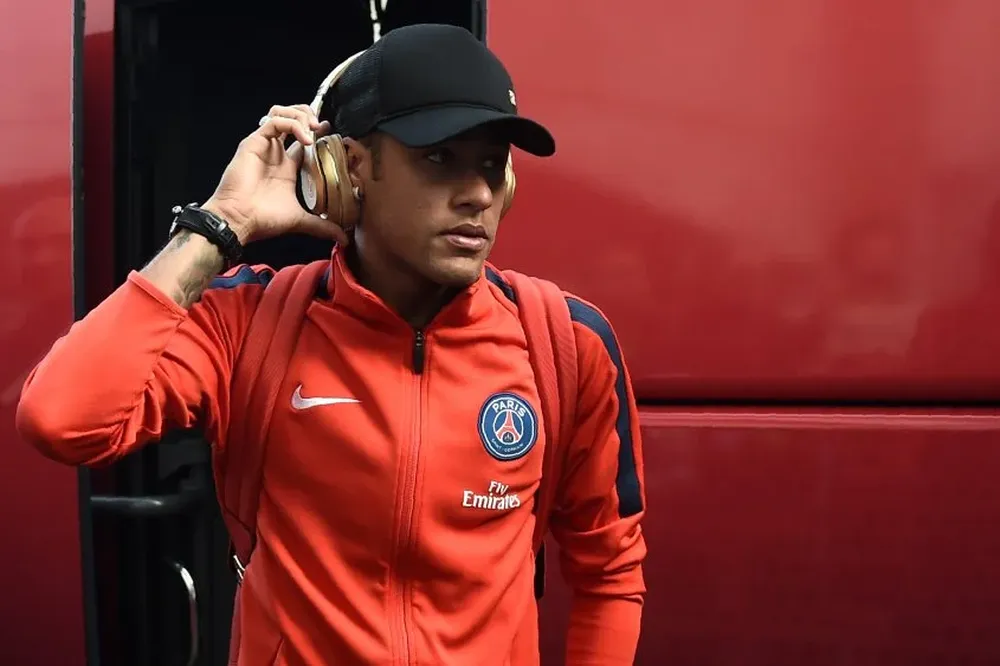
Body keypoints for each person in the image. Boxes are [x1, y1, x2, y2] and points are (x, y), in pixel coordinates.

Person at [17, 23, 647, 665]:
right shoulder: (249, 322)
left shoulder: (565, 341)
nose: (478, 193)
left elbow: (610, 574)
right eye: (439, 158)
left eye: (491, 164)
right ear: (349, 169)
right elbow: (62, 419)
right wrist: (220, 224)